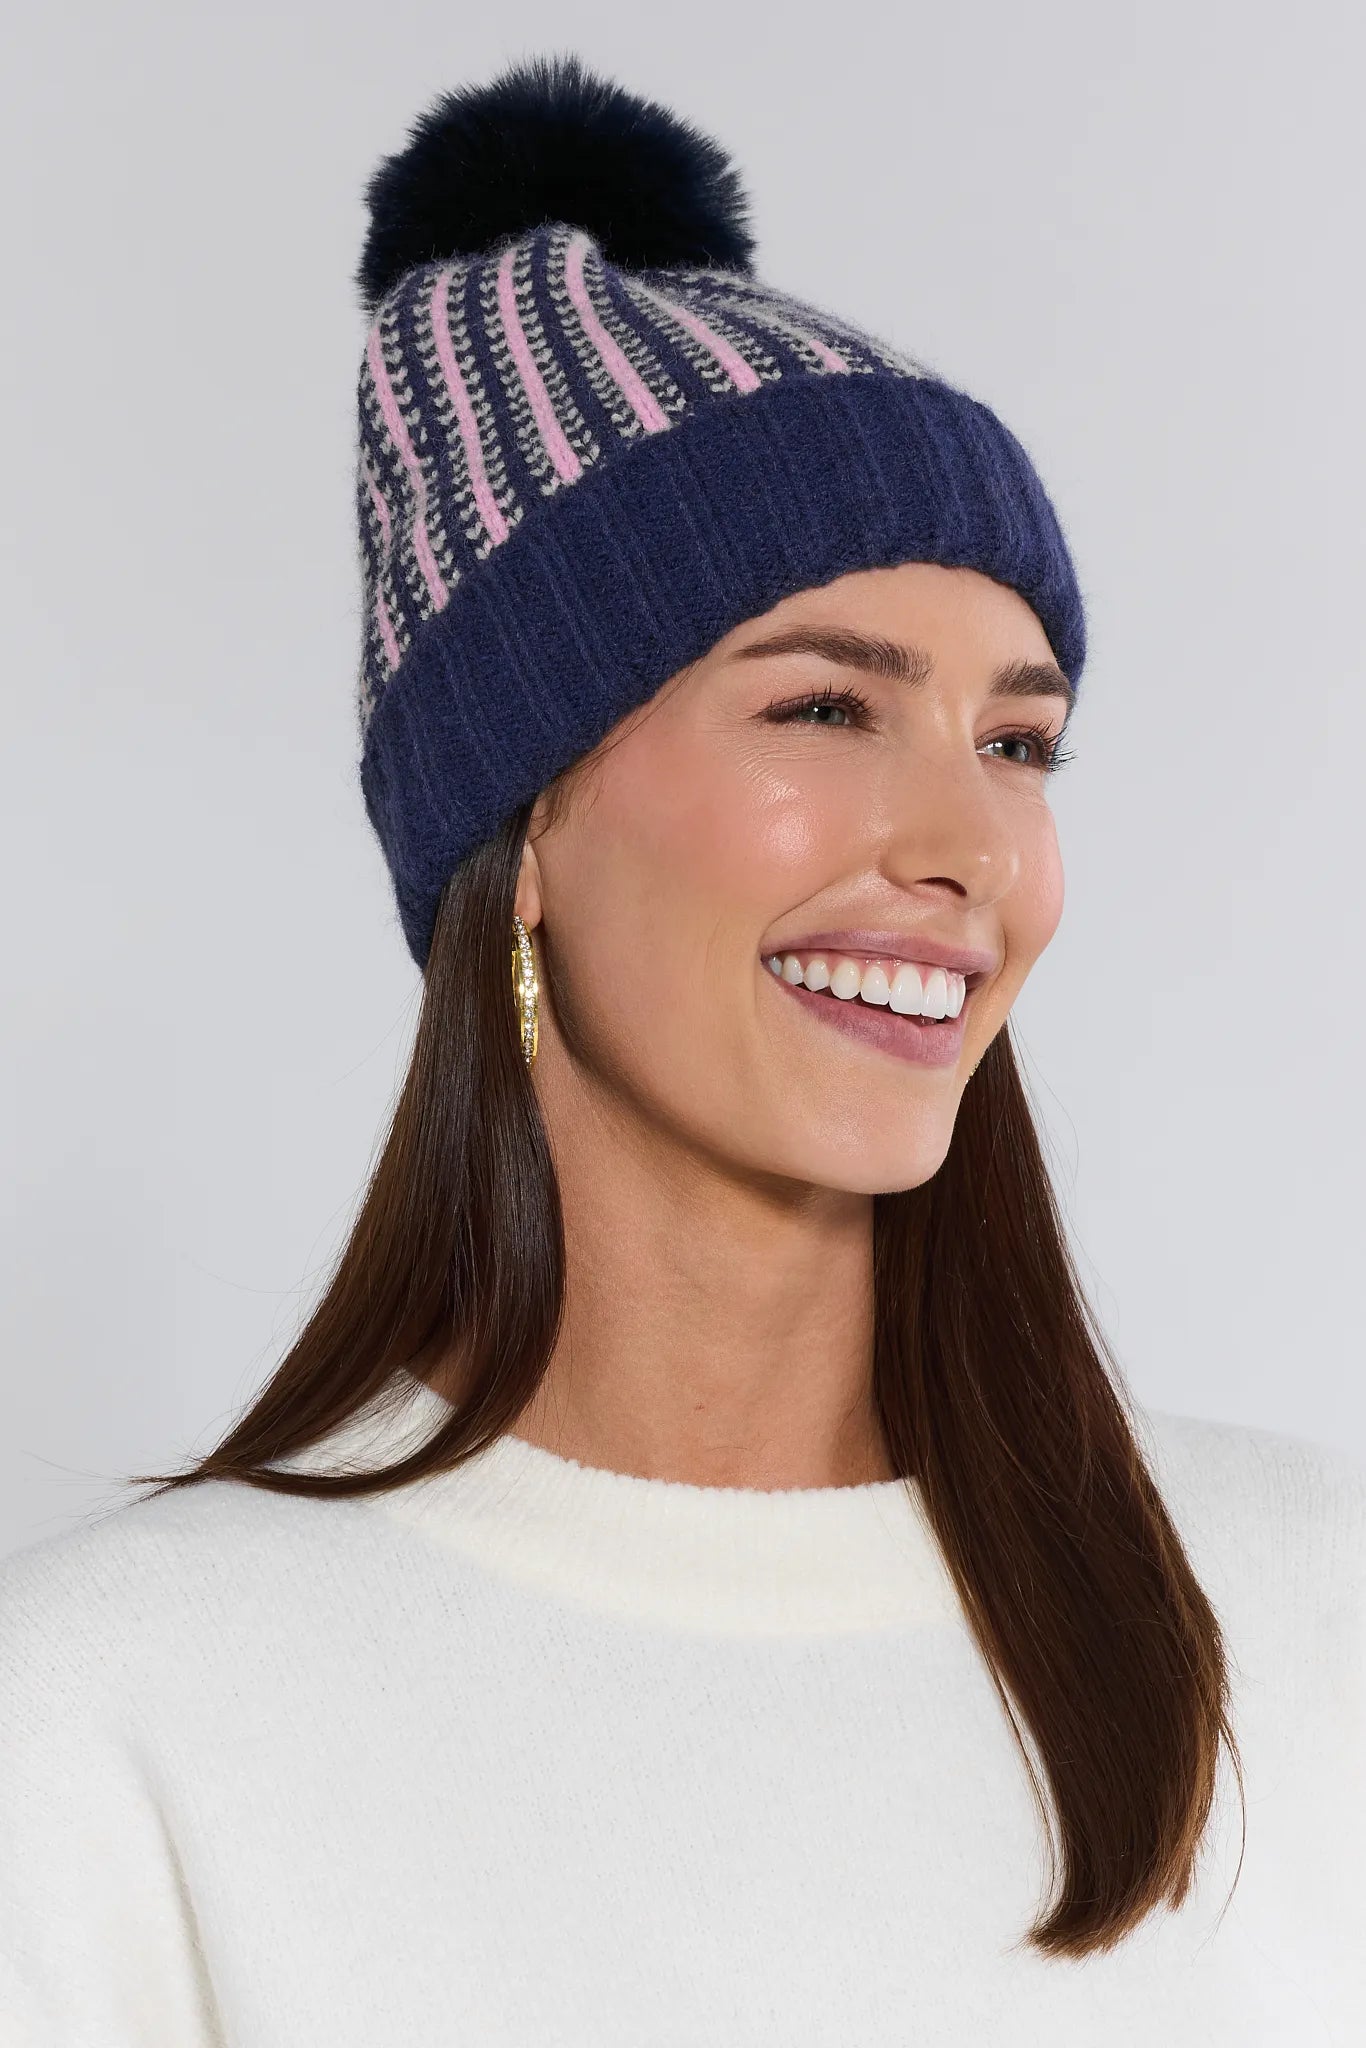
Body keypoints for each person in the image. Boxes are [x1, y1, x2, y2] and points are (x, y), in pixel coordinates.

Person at [2, 49, 1362, 2047]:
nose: (965, 847)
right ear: (526, 819)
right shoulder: (121, 1713)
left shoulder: (1309, 1608)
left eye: (1014, 740)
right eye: (824, 710)